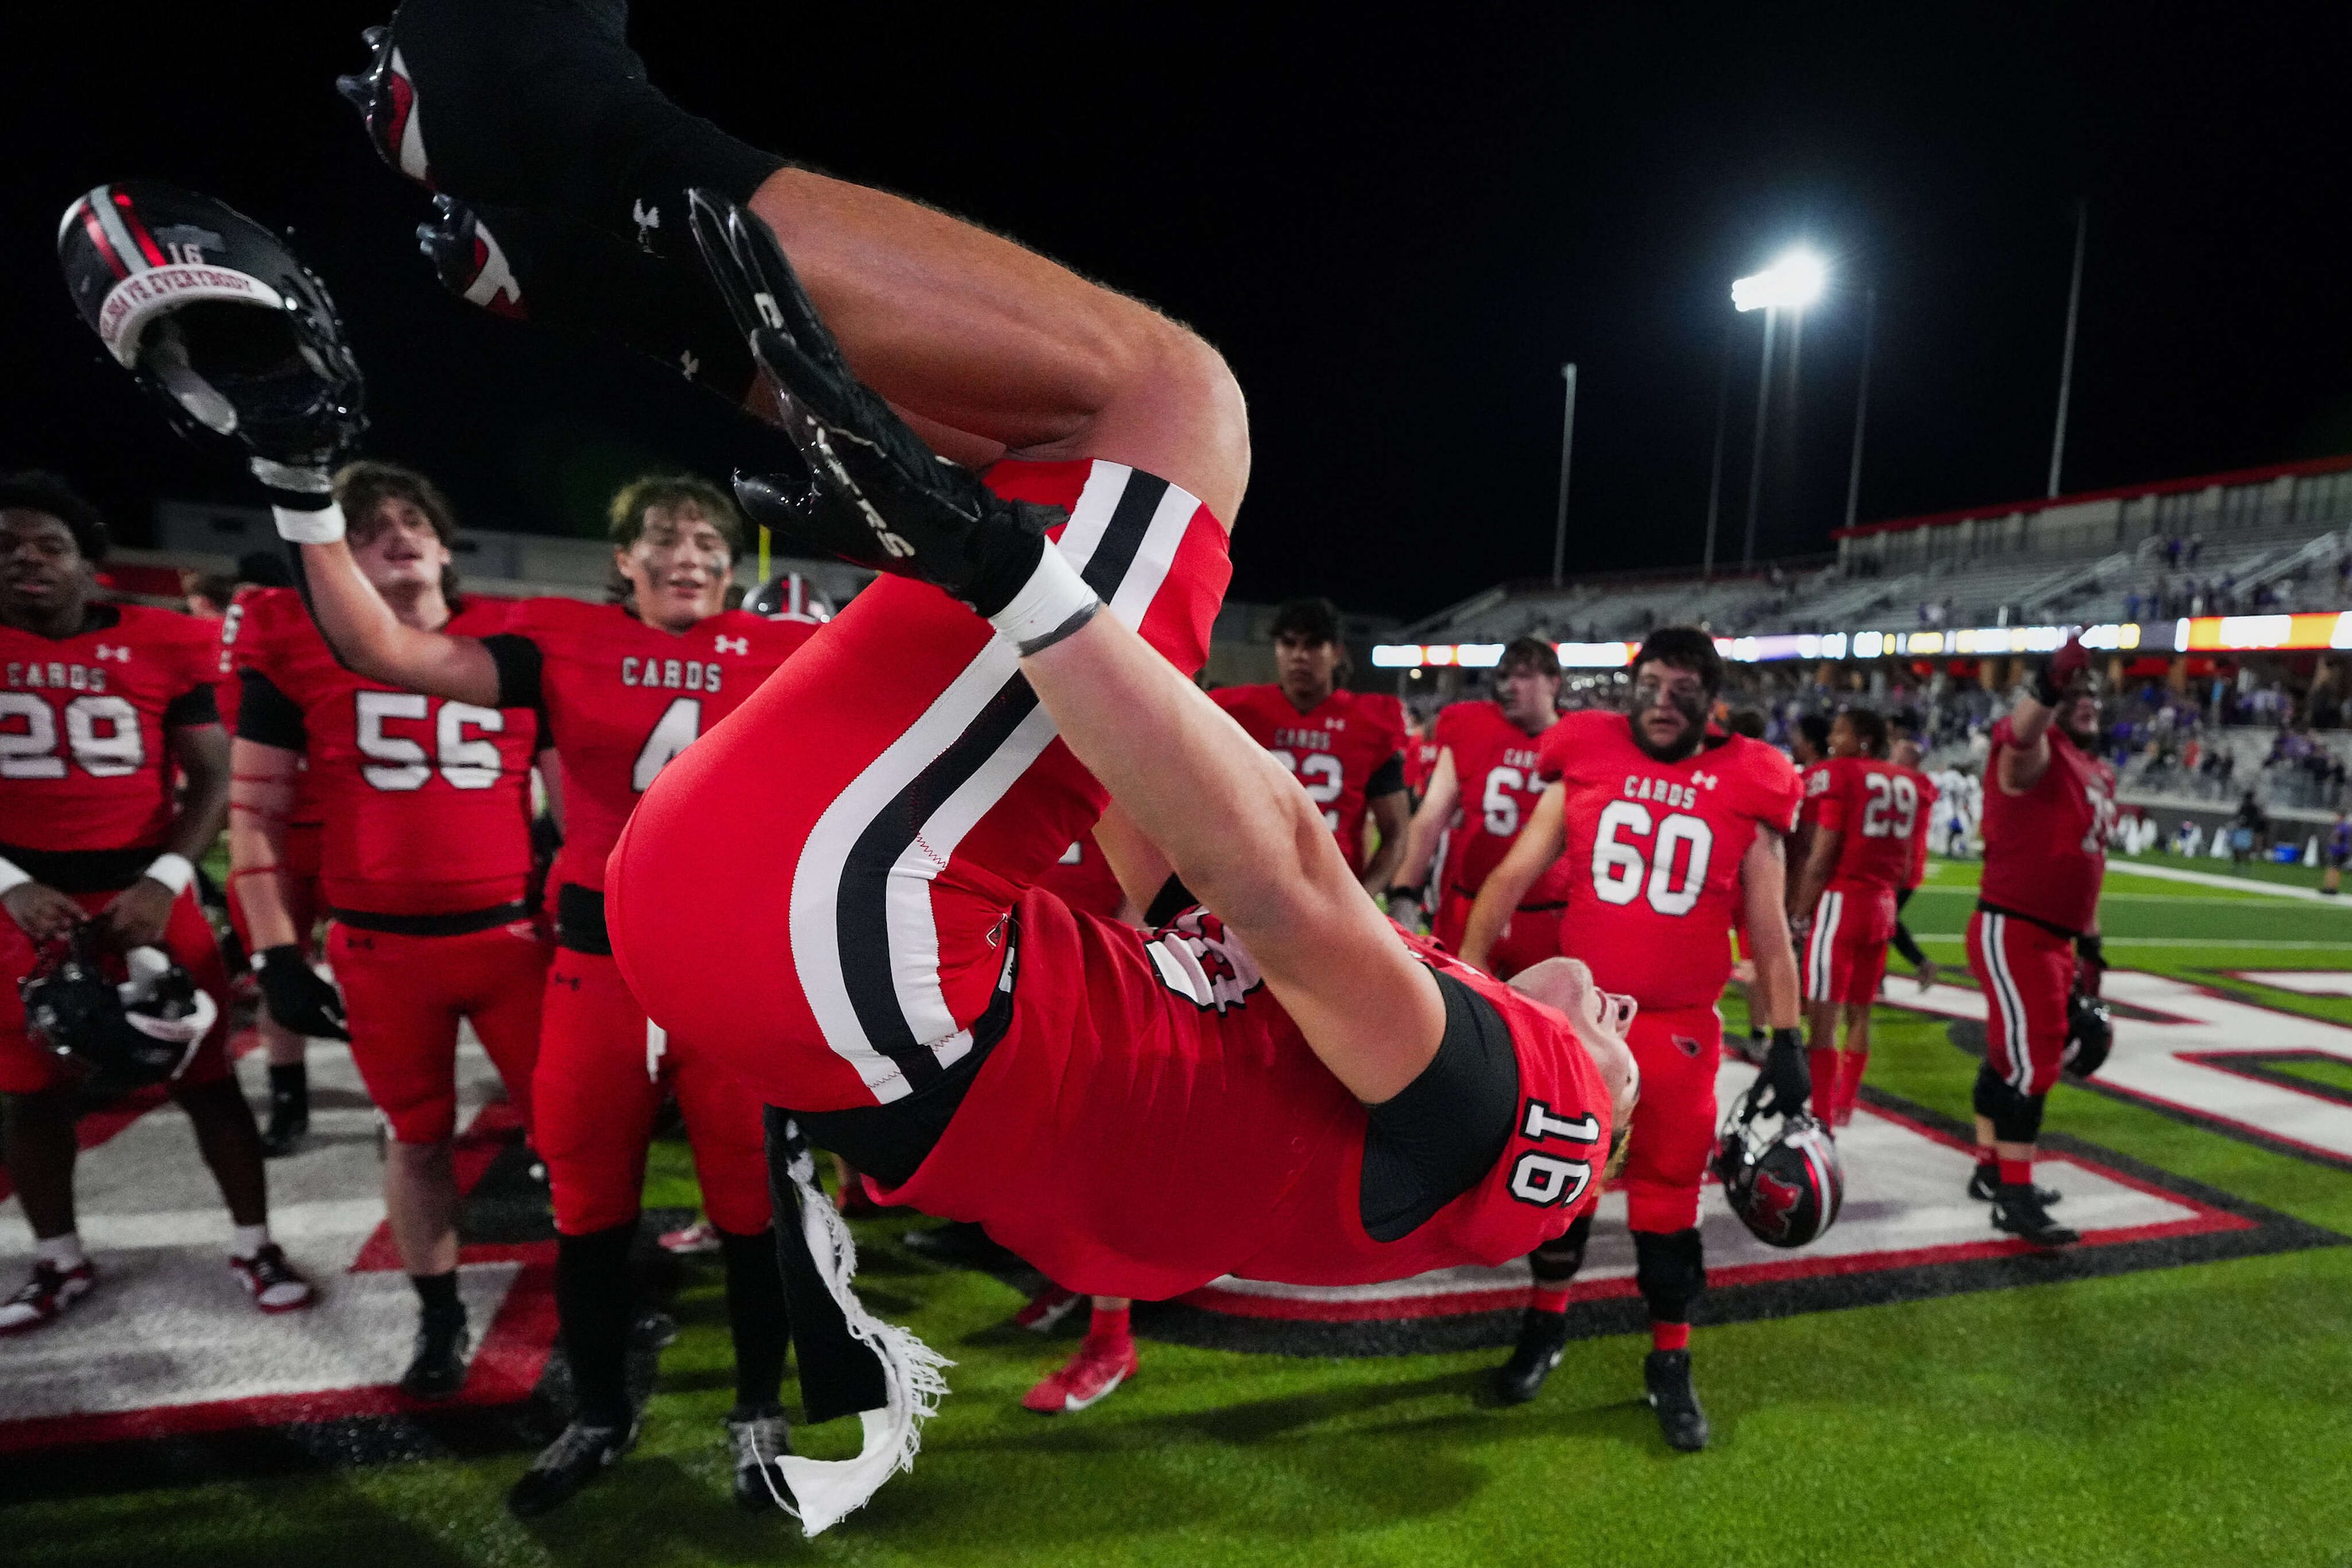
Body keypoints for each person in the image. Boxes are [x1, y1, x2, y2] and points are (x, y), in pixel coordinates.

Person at [281, 469, 816, 1513]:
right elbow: (380, 650)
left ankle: (760, 1412)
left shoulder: (788, 652)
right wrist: (302, 506)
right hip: (596, 970)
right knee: (589, 1214)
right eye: (662, 536)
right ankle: (601, 1415)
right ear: (624, 560)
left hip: (732, 978)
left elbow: (948, 667)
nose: (690, 553)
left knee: (755, 1215)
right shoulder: (565, 638)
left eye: (709, 538)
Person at [225, 459, 553, 1399]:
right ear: (338, 563)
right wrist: (276, 950)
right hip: (380, 947)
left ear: (448, 546)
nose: (396, 535)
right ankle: (439, 1315)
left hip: (513, 941)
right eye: (366, 529)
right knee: (414, 1135)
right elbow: (254, 815)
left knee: (569, 1135)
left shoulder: (517, 647)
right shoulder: (296, 646)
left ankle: (592, 1290)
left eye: (414, 520)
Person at [1458, 629, 1806, 1449]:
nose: (1660, 703)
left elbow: (1769, 931)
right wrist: (1471, 977)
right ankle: (1546, 1325)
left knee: (1668, 1202)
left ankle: (1669, 1360)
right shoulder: (1587, 753)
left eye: (1682, 690)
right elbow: (1509, 877)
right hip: (1584, 1021)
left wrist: (1788, 1038)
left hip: (1680, 1031)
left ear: (1711, 704)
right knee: (1563, 1183)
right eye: (1649, 684)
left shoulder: (1749, 782)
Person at [1, 473, 312, 1333]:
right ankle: (58, 1259)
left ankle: (256, 1242)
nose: (26, 560)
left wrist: (164, 880)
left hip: (143, 884)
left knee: (208, 1080)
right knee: (29, 1094)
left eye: (49, 546)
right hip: (18, 898)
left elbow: (211, 773)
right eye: (7, 547)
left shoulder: (163, 640)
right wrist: (11, 885)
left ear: (90, 565)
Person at [1967, 639, 2115, 1247]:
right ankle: (2014, 1197)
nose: (2086, 702)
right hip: (2015, 924)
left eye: (2090, 694)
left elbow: (2087, 864)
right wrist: (2049, 684)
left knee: (2010, 1055)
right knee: (2035, 1060)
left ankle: (1989, 1169)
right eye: (2074, 694)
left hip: (2056, 936)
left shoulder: (2095, 768)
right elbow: (2023, 738)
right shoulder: (2036, 747)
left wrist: (2091, 949)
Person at [212, 557, 328, 1156]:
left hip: (351, 828)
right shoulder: (254, 634)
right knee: (283, 968)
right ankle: (289, 1097)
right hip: (277, 831)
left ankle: (401, 1106)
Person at [1387, 636, 1568, 976]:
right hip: (1467, 903)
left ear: (1553, 682)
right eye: (1503, 676)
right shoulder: (1470, 725)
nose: (1509, 686)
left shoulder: (1580, 737)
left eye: (1524, 676)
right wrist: (1404, 892)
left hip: (1549, 914)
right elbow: (1430, 818)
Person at [1212, 598, 1412, 896]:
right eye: (1289, 643)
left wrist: (1361, 901)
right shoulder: (1236, 710)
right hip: (1244, 887)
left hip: (1328, 892)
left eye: (1313, 645)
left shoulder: (1370, 722)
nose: (1299, 656)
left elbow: (1396, 832)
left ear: (1336, 653)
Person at [1786, 709, 1913, 1127]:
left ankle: (1820, 1115)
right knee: (1861, 1012)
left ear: (1863, 739)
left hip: (1843, 903)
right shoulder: (1904, 780)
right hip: (1883, 904)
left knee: (1823, 1019)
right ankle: (1845, 1101)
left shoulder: (1841, 774)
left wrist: (1799, 913)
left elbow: (1821, 857)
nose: (1832, 738)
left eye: (1840, 731)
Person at [1887, 736, 1940, 990]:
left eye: (1896, 756)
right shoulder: (1921, 785)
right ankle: (1920, 963)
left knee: (1884, 921)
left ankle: (1879, 975)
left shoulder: (1907, 787)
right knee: (1887, 920)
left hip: (1900, 866)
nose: (1890, 761)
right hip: (1908, 865)